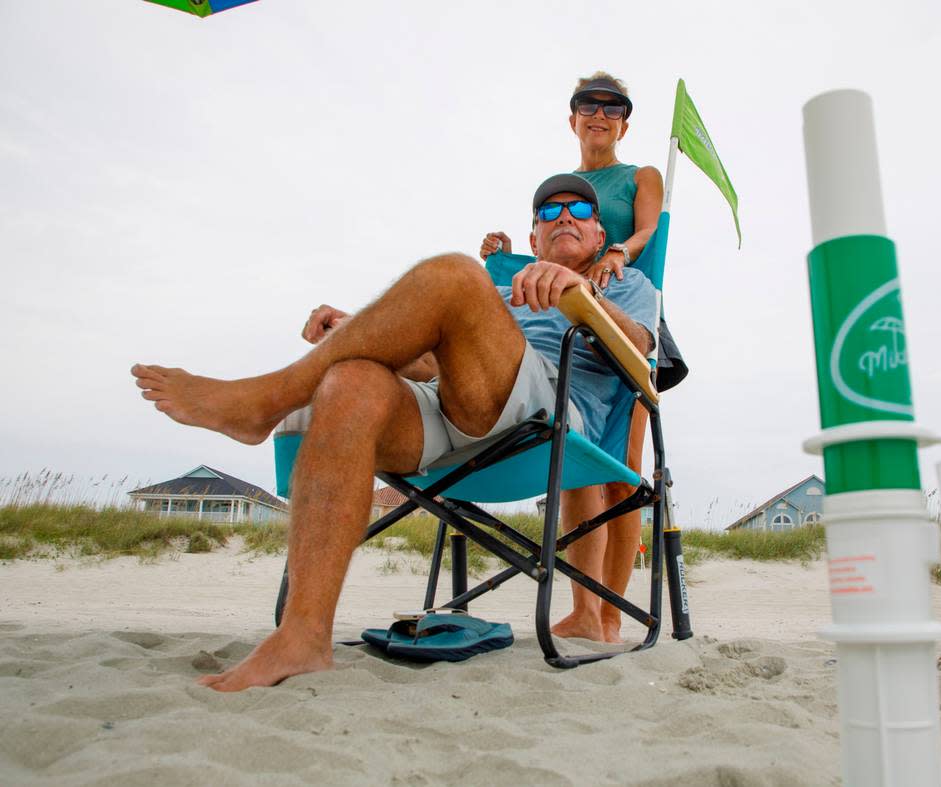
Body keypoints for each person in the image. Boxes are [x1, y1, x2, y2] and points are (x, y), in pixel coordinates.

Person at [131, 174, 656, 692]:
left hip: (547, 416)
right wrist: (355, 331)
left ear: (597, 236)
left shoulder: (627, 285)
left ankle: (269, 399)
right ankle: (303, 637)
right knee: (349, 382)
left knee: (454, 273)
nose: (564, 216)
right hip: (457, 407)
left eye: (580, 211)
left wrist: (585, 295)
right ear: (534, 239)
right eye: (549, 212)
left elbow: (639, 348)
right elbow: (428, 366)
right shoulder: (497, 295)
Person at [479, 72, 686, 644]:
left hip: (622, 313)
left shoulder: (638, 175)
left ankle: (610, 613)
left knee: (621, 472)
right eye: (587, 106)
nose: (599, 115)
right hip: (559, 323)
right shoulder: (563, 194)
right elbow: (553, 253)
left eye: (612, 107)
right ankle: (584, 608)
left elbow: (649, 232)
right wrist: (507, 256)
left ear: (624, 120)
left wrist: (617, 253)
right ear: (572, 118)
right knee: (582, 455)